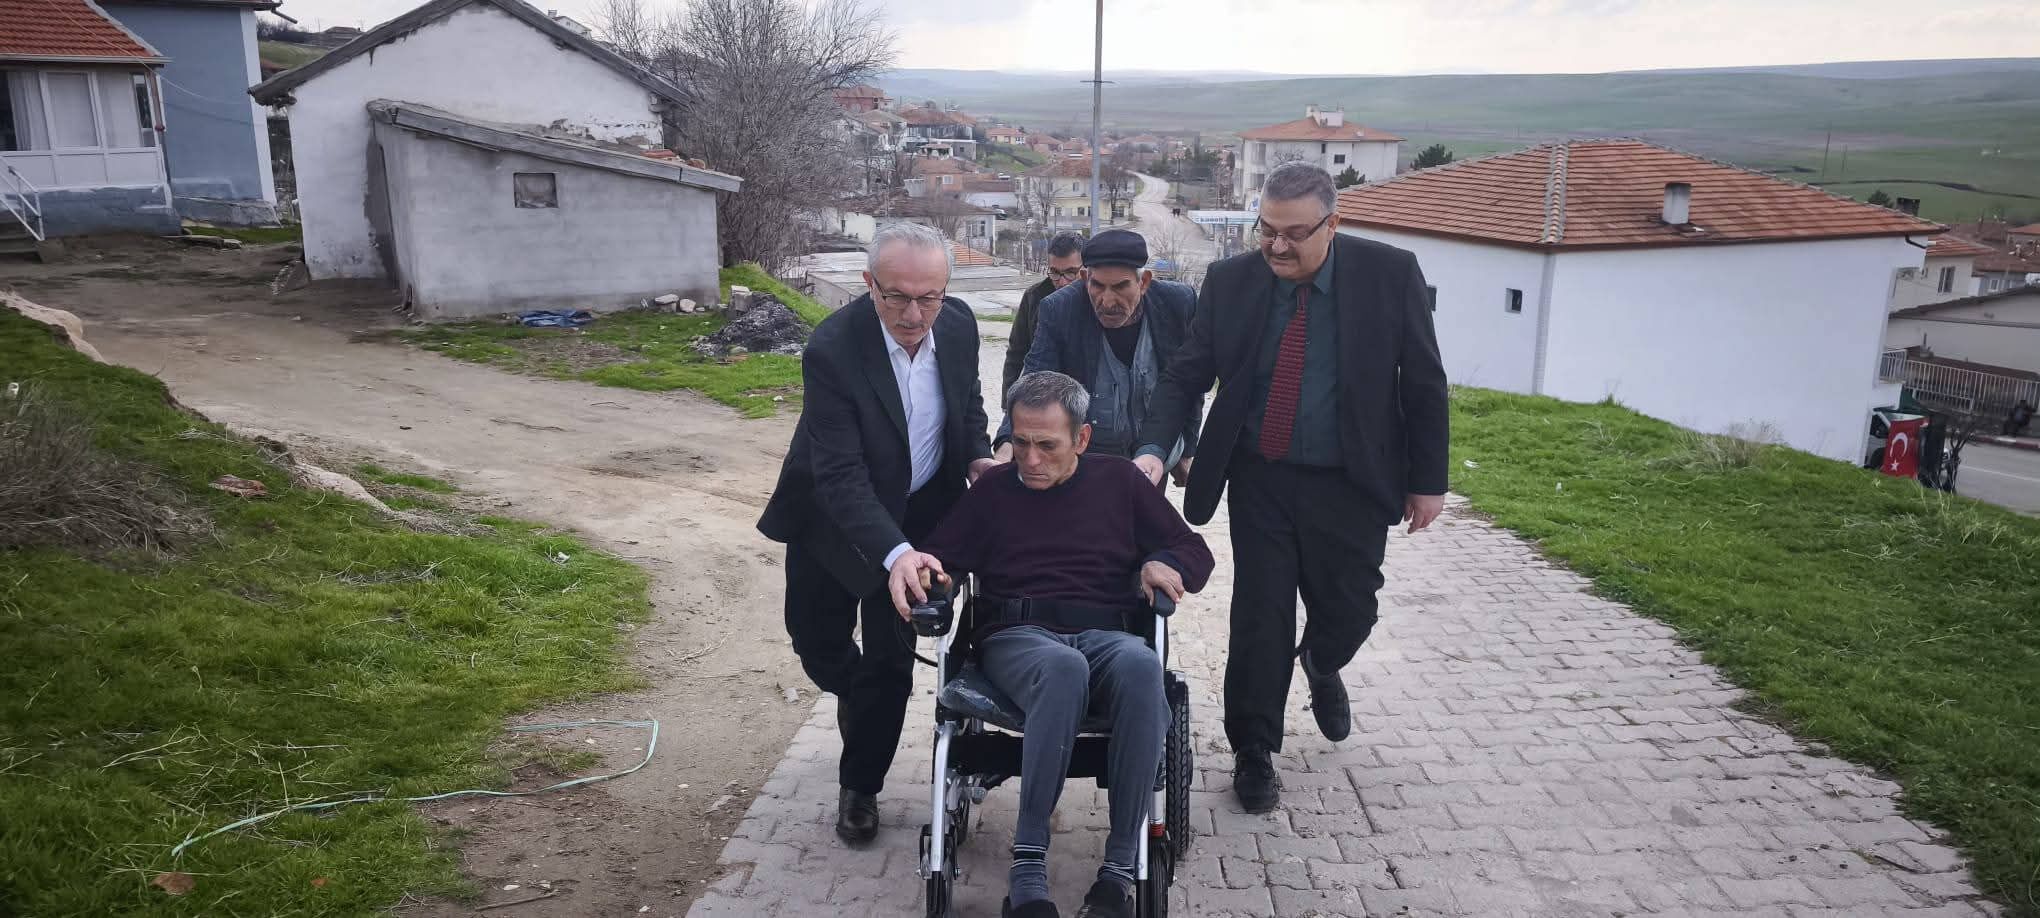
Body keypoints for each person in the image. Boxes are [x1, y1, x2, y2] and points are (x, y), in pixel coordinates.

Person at [1131, 161, 1449, 813]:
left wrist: (1428, 482)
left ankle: (1322, 662)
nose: (1276, 246)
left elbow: (1423, 381)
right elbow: (1186, 375)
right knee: (1261, 613)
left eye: (1293, 234)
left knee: (1351, 608)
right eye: (1266, 230)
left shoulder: (1390, 275)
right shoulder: (1231, 281)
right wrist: (1155, 451)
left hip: (1352, 481)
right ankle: (1253, 749)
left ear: (1333, 224)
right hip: (1261, 476)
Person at [890, 371, 1214, 918]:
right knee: (1064, 667)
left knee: (1143, 667)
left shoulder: (1121, 483)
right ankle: (1027, 868)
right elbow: (940, 561)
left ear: (1082, 438)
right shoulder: (994, 490)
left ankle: (1118, 872)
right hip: (1018, 638)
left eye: (1047, 445)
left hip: (1107, 635)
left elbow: (1195, 552)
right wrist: (929, 577)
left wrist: (1165, 561)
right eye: (1020, 442)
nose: (1030, 459)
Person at [757, 223, 998, 846]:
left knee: (891, 664)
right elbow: (840, 475)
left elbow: (967, 401)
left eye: (929, 297)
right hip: (832, 519)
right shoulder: (832, 349)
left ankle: (860, 785)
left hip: (922, 515)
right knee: (817, 645)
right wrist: (892, 552)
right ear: (869, 285)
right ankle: (857, 696)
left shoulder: (959, 325)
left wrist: (976, 455)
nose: (914, 315)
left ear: (946, 290)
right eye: (897, 298)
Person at [996, 230, 1202, 484]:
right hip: (1087, 463)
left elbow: (1189, 380)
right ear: (1085, 278)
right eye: (1097, 286)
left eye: (1120, 287)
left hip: (1153, 454)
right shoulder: (1058, 309)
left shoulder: (1178, 303)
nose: (1107, 301)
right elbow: (1035, 380)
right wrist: (1006, 444)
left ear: (1144, 282)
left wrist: (1187, 450)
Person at [1002, 232, 1088, 396]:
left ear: (1085, 269)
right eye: (1055, 272)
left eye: (1071, 272)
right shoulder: (1033, 297)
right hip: (1045, 396)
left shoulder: (1096, 298)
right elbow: (1016, 354)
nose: (1062, 282)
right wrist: (1009, 402)